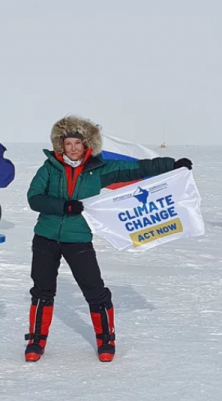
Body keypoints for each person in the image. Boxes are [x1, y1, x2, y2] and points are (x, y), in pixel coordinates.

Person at [24, 115, 192, 362]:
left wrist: (172, 164)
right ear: (61, 144)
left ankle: (106, 339)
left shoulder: (99, 170)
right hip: (45, 238)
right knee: (42, 290)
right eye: (68, 143)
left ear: (87, 145)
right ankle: (37, 340)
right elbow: (34, 198)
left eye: (77, 143)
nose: (72, 148)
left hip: (78, 238)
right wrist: (64, 206)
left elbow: (137, 168)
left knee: (94, 290)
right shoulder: (49, 168)